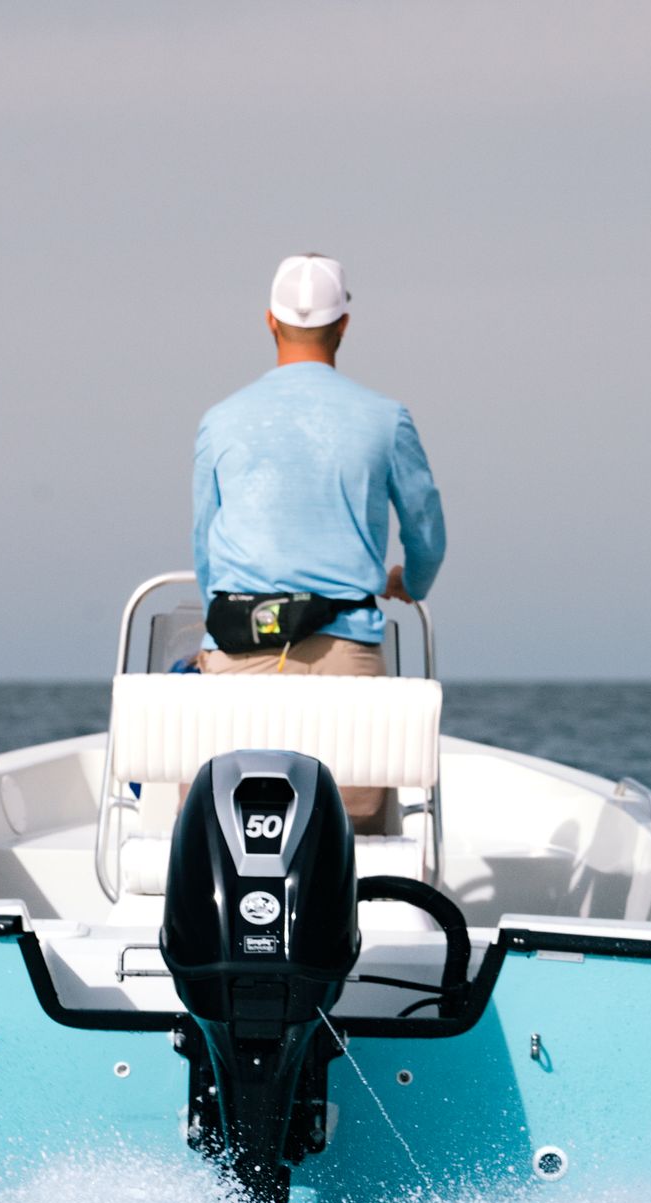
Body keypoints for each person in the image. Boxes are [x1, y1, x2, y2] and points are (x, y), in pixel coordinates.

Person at [191, 253, 446, 831]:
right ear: (344, 326)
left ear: (270, 322)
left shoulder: (222, 419)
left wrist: (219, 627)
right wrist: (412, 582)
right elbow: (426, 526)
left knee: (226, 824)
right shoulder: (386, 418)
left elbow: (206, 548)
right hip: (347, 652)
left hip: (241, 652)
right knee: (350, 834)